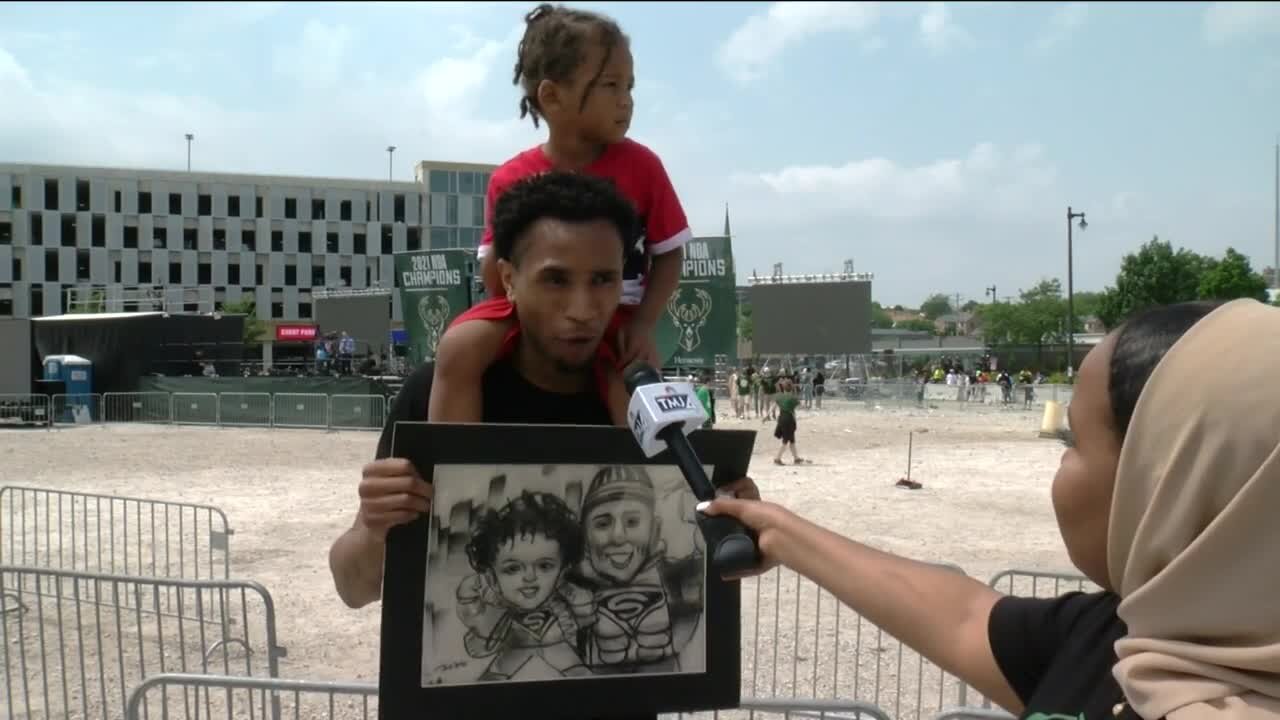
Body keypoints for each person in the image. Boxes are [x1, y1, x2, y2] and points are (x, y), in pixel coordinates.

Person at [702, 299, 1280, 720]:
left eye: (1072, 442)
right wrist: (778, 530)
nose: (1060, 469)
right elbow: (963, 615)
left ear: (1168, 479)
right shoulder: (1125, 636)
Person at [328, 172, 757, 719]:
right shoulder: (435, 391)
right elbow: (353, 587)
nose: (582, 307)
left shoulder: (652, 408)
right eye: (556, 280)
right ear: (508, 278)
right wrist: (372, 527)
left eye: (603, 279)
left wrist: (735, 518)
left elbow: (708, 576)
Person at [427, 2, 690, 429]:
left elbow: (670, 253)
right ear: (552, 95)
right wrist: (524, 311)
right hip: (530, 310)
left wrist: (643, 323)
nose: (626, 101)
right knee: (457, 346)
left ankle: (644, 485)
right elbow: (495, 270)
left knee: (630, 388)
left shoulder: (644, 166)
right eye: (610, 86)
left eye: (629, 87)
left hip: (614, 314)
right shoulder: (511, 176)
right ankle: (450, 467)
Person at [772, 377, 807, 465]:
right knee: (785, 441)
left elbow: (773, 407)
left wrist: (766, 416)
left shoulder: (780, 396)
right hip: (789, 420)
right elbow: (802, 406)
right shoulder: (792, 398)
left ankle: (796, 458)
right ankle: (777, 458)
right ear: (791, 387)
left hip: (781, 419)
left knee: (792, 440)